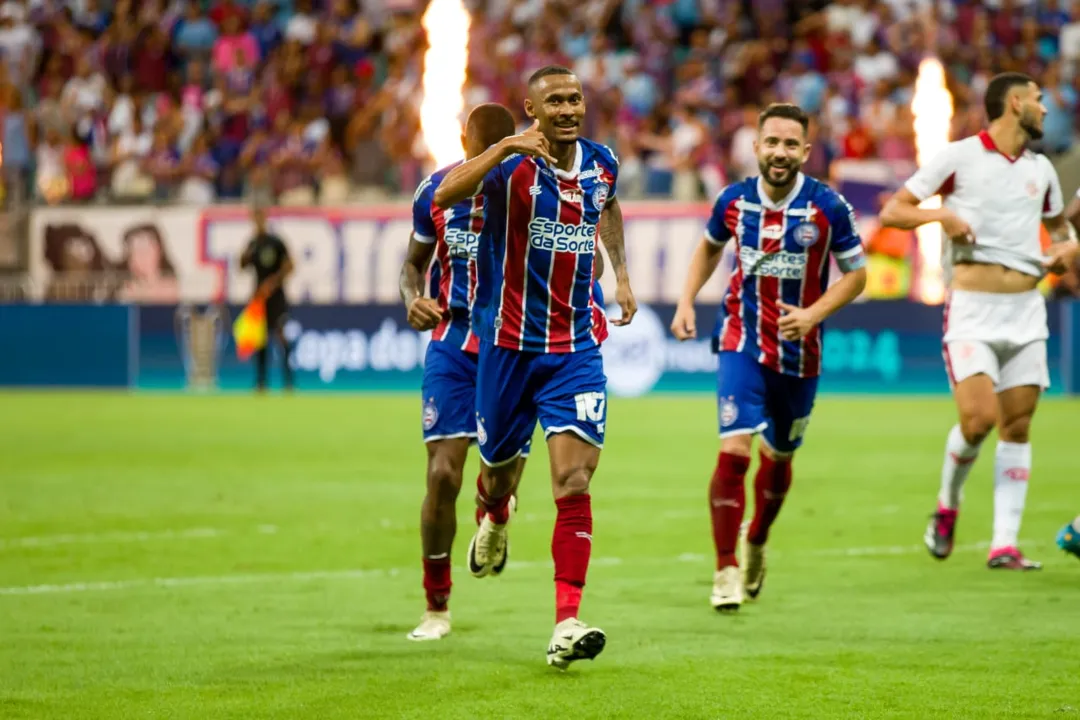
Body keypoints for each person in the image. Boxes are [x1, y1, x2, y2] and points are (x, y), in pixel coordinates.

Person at [432, 65, 637, 669]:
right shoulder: (510, 165)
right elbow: (444, 194)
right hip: (507, 347)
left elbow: (610, 207)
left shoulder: (602, 163)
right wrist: (501, 146)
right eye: (556, 101)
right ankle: (494, 514)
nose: (569, 108)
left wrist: (620, 274)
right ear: (532, 108)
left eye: (575, 98)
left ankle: (566, 622)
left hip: (574, 348)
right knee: (497, 474)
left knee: (574, 481)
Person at [671, 103, 868, 612]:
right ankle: (724, 570)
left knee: (779, 456)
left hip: (800, 354)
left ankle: (756, 539)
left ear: (805, 151)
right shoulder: (733, 201)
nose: (780, 152)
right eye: (771, 142)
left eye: (790, 144)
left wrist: (813, 313)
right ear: (756, 147)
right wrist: (688, 299)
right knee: (734, 452)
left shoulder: (828, 207)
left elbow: (856, 275)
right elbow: (710, 247)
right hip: (740, 338)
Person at [881, 72, 1080, 570]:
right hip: (972, 308)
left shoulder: (1043, 170)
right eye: (1038, 100)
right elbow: (893, 210)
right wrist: (940, 218)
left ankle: (1004, 545)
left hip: (1026, 311)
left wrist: (1066, 250)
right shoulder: (959, 157)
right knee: (978, 420)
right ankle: (948, 506)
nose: (1046, 109)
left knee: (1017, 425)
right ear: (1015, 103)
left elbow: (1061, 230)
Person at [399, 103, 527, 642]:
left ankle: (494, 511)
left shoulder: (532, 188)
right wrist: (411, 298)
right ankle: (436, 606)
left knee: (499, 477)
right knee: (441, 473)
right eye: (484, 146)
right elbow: (412, 266)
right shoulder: (435, 192)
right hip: (452, 344)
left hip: (516, 343)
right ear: (463, 141)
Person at [239, 206, 295, 392]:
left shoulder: (276, 242)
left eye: (260, 218)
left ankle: (288, 381)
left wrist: (272, 283)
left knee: (281, 336)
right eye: (255, 219)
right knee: (260, 339)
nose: (258, 222)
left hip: (276, 297)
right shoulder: (253, 243)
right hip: (259, 298)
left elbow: (290, 266)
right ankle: (261, 382)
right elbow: (242, 266)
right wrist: (244, 255)